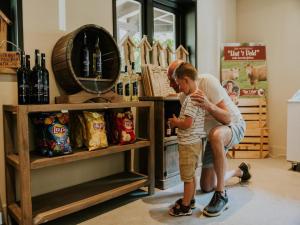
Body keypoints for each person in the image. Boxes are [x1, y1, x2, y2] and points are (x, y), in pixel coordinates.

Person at [167, 60, 251, 217]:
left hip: (234, 126)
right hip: (213, 136)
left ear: (184, 77)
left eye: (173, 79)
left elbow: (227, 118)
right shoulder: (183, 96)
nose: (171, 83)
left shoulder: (207, 81)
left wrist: (208, 104)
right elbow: (192, 125)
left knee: (215, 134)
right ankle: (239, 171)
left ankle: (222, 195)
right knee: (206, 185)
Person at [168, 62, 205, 217]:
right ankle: (191, 199)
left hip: (188, 145)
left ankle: (185, 206)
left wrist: (176, 123)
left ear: (186, 80)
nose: (179, 88)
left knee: (187, 178)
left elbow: (187, 123)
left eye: (179, 84)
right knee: (192, 174)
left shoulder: (190, 99)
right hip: (194, 143)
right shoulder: (199, 95)